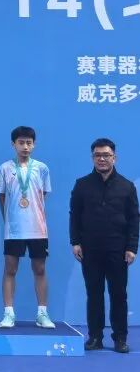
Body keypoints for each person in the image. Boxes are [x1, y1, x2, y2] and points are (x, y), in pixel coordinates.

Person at [70, 138, 138, 353]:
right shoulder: (82, 185)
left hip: (118, 250)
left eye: (106, 155)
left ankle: (120, 338)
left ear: (114, 158)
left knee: (119, 295)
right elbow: (75, 216)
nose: (102, 159)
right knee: (94, 294)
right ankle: (95, 337)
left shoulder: (127, 186)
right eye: (97, 155)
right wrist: (75, 242)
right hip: (90, 249)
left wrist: (132, 247)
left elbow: (134, 219)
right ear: (92, 158)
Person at [0, 126, 54, 329]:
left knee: (40, 269)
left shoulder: (42, 168)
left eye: (29, 143)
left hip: (37, 228)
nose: (25, 146)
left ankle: (42, 313)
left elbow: (42, 196)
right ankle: (8, 313)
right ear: (13, 144)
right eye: (21, 142)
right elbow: (2, 197)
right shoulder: (5, 168)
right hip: (14, 230)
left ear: (34, 145)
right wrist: (11, 219)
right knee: (10, 269)